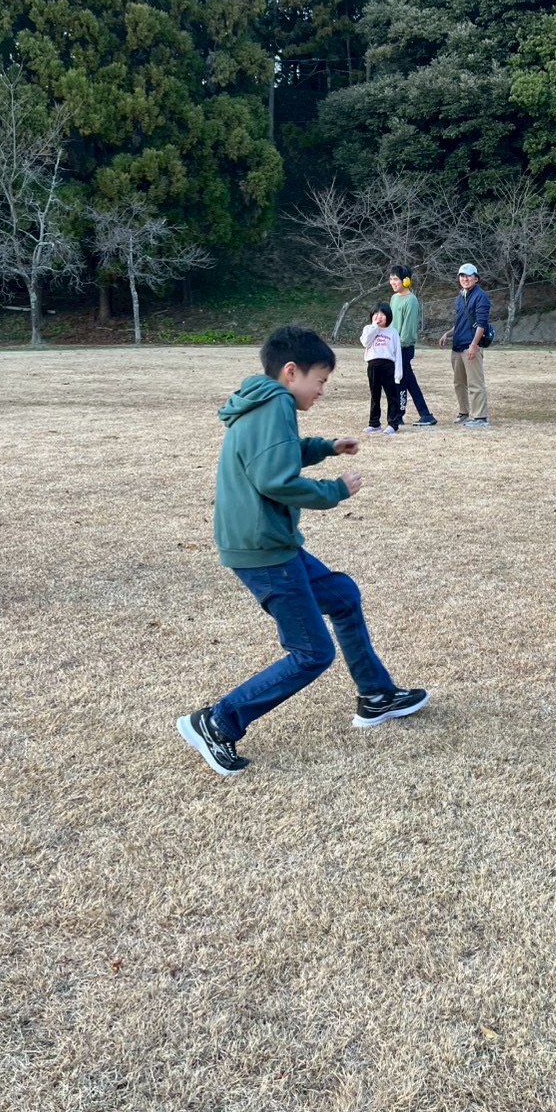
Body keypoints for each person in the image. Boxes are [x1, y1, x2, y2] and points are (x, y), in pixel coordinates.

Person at [177, 325, 429, 778]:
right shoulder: (275, 404)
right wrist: (335, 490)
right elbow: (275, 478)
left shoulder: (262, 401)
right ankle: (217, 721)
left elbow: (277, 453)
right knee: (312, 652)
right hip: (264, 549)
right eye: (321, 380)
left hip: (268, 542)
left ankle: (376, 695)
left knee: (342, 596)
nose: (322, 390)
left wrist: (325, 448)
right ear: (291, 372)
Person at [438, 263, 491, 429]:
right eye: (462, 276)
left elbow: (481, 324)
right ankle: (464, 413)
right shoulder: (460, 297)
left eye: (468, 276)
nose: (465, 279)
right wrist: (448, 334)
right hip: (457, 345)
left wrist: (474, 344)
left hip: (471, 346)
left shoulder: (481, 296)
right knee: (459, 383)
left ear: (476, 278)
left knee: (475, 383)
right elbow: (461, 322)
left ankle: (480, 417)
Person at [388, 266, 436, 426]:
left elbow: (408, 330)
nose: (392, 282)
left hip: (403, 348)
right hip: (393, 347)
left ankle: (399, 415)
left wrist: (398, 347)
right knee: (409, 381)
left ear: (406, 280)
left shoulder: (411, 300)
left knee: (401, 382)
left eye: (396, 279)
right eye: (391, 279)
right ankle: (425, 414)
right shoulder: (394, 298)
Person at [359, 302, 403, 435]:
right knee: (375, 395)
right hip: (373, 366)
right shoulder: (368, 329)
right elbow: (365, 342)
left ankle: (393, 424)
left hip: (388, 366)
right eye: (376, 314)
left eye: (382, 314)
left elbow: (398, 353)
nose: (379, 317)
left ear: (388, 316)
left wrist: (398, 373)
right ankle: (374, 423)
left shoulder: (393, 332)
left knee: (392, 396)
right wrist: (374, 327)